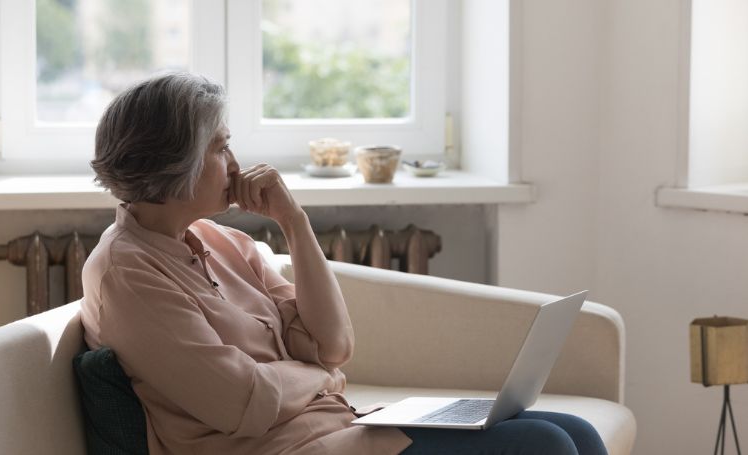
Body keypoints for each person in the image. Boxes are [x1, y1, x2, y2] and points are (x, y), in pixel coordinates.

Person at [80, 72, 607, 455]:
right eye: (220, 149)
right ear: (176, 165)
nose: (236, 165)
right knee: (543, 445)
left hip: (340, 429)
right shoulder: (126, 275)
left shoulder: (223, 243)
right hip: (281, 449)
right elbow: (242, 403)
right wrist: (321, 377)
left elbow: (333, 345)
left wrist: (294, 222)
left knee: (575, 433)